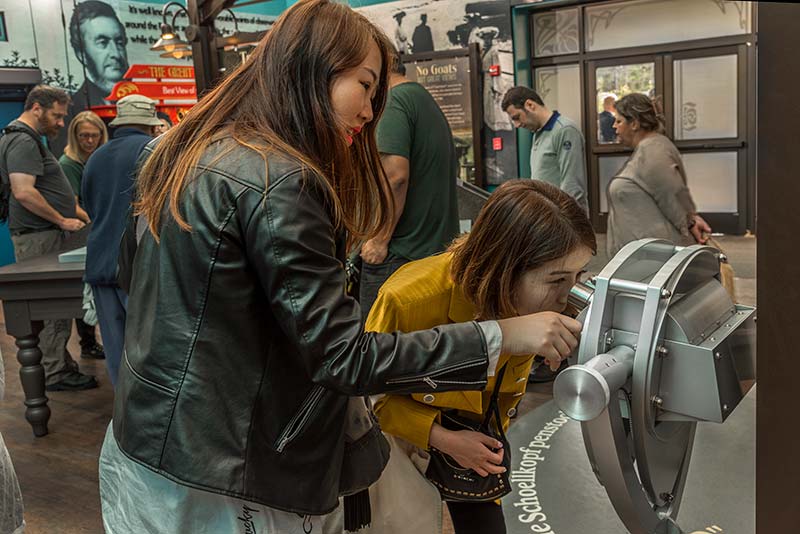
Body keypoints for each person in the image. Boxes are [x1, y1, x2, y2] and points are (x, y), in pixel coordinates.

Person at [98, 2, 581, 532]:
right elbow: (344, 356)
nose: (370, 112)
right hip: (226, 466)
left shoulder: (189, 151)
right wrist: (499, 335)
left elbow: (144, 283)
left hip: (154, 440)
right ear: (311, 67)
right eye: (364, 85)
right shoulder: (282, 178)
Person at [365, 180, 596, 534]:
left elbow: (503, 394)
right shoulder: (408, 298)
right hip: (403, 443)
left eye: (579, 276)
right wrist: (443, 439)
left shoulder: (526, 298)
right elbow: (370, 399)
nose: (567, 298)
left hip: (478, 434)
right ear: (505, 268)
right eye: (557, 280)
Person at [0, 85, 96, 391]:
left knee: (56, 312)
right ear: (36, 108)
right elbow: (23, 191)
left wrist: (78, 215)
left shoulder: (27, 140)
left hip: (44, 233)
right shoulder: (22, 141)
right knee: (51, 309)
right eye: (56, 115)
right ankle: (55, 373)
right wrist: (62, 219)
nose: (60, 123)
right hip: (39, 236)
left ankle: (59, 364)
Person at [359, 50, 459, 322]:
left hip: (399, 253)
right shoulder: (421, 98)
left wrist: (379, 239)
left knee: (372, 344)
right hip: (429, 253)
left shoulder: (394, 101)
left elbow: (395, 176)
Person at [81, 95, 159, 387]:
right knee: (150, 351)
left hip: (101, 261)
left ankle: (124, 420)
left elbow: (90, 207)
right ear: (150, 124)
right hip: (141, 263)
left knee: (116, 351)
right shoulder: (153, 150)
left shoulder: (96, 156)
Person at [606, 93, 711, 257]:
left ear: (634, 123)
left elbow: (671, 193)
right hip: (647, 258)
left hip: (655, 260)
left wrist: (690, 222)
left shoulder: (653, 150)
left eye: (619, 121)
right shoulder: (649, 148)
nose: (614, 126)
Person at [59, 110, 108, 361]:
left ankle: (91, 341)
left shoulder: (98, 158)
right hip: (83, 230)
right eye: (84, 136)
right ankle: (87, 342)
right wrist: (95, 220)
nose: (89, 141)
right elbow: (71, 203)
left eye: (94, 135)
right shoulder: (69, 164)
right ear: (75, 136)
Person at [52, 1, 129, 156]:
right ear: (81, 54)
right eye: (102, 42)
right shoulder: (71, 112)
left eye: (119, 42)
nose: (115, 53)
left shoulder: (135, 103)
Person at [502, 86, 589, 214]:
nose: (517, 125)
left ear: (530, 105)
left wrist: (565, 224)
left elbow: (573, 187)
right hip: (548, 217)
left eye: (517, 117)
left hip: (566, 220)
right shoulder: (538, 134)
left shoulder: (565, 130)